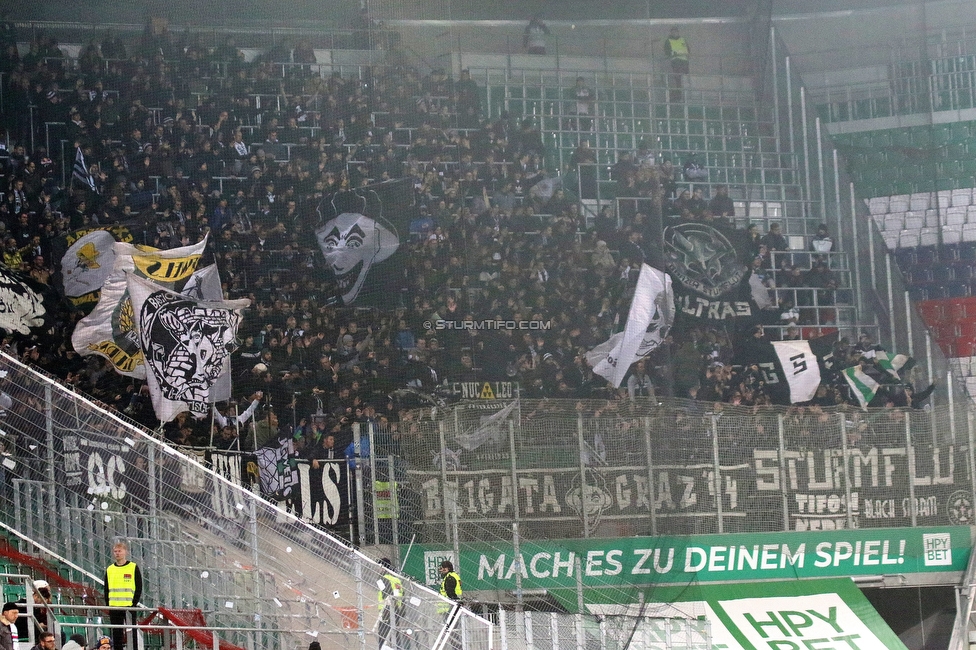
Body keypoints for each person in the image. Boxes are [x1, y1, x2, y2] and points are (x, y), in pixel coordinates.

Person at [103, 542, 143, 650]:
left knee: (131, 634)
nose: (117, 553)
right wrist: (108, 604)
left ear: (125, 552)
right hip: (114, 606)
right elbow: (106, 589)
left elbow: (139, 587)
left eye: (119, 551)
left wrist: (133, 603)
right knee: (117, 635)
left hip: (129, 607)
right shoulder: (110, 569)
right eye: (115, 551)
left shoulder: (133, 567)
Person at [376, 558, 404, 650]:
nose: (378, 569)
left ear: (383, 568)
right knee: (395, 635)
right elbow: (402, 595)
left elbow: (386, 594)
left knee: (383, 636)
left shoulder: (381, 579)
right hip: (397, 610)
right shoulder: (396, 579)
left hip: (386, 610)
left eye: (379, 567)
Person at [664, 26, 690, 101]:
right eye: (673, 32)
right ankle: (680, 96)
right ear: (671, 33)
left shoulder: (683, 39)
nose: (674, 33)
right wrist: (673, 54)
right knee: (678, 79)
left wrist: (687, 55)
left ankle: (687, 96)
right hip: (676, 61)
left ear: (678, 32)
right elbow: (667, 51)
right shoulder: (668, 41)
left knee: (685, 78)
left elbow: (688, 49)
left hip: (684, 61)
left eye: (676, 32)